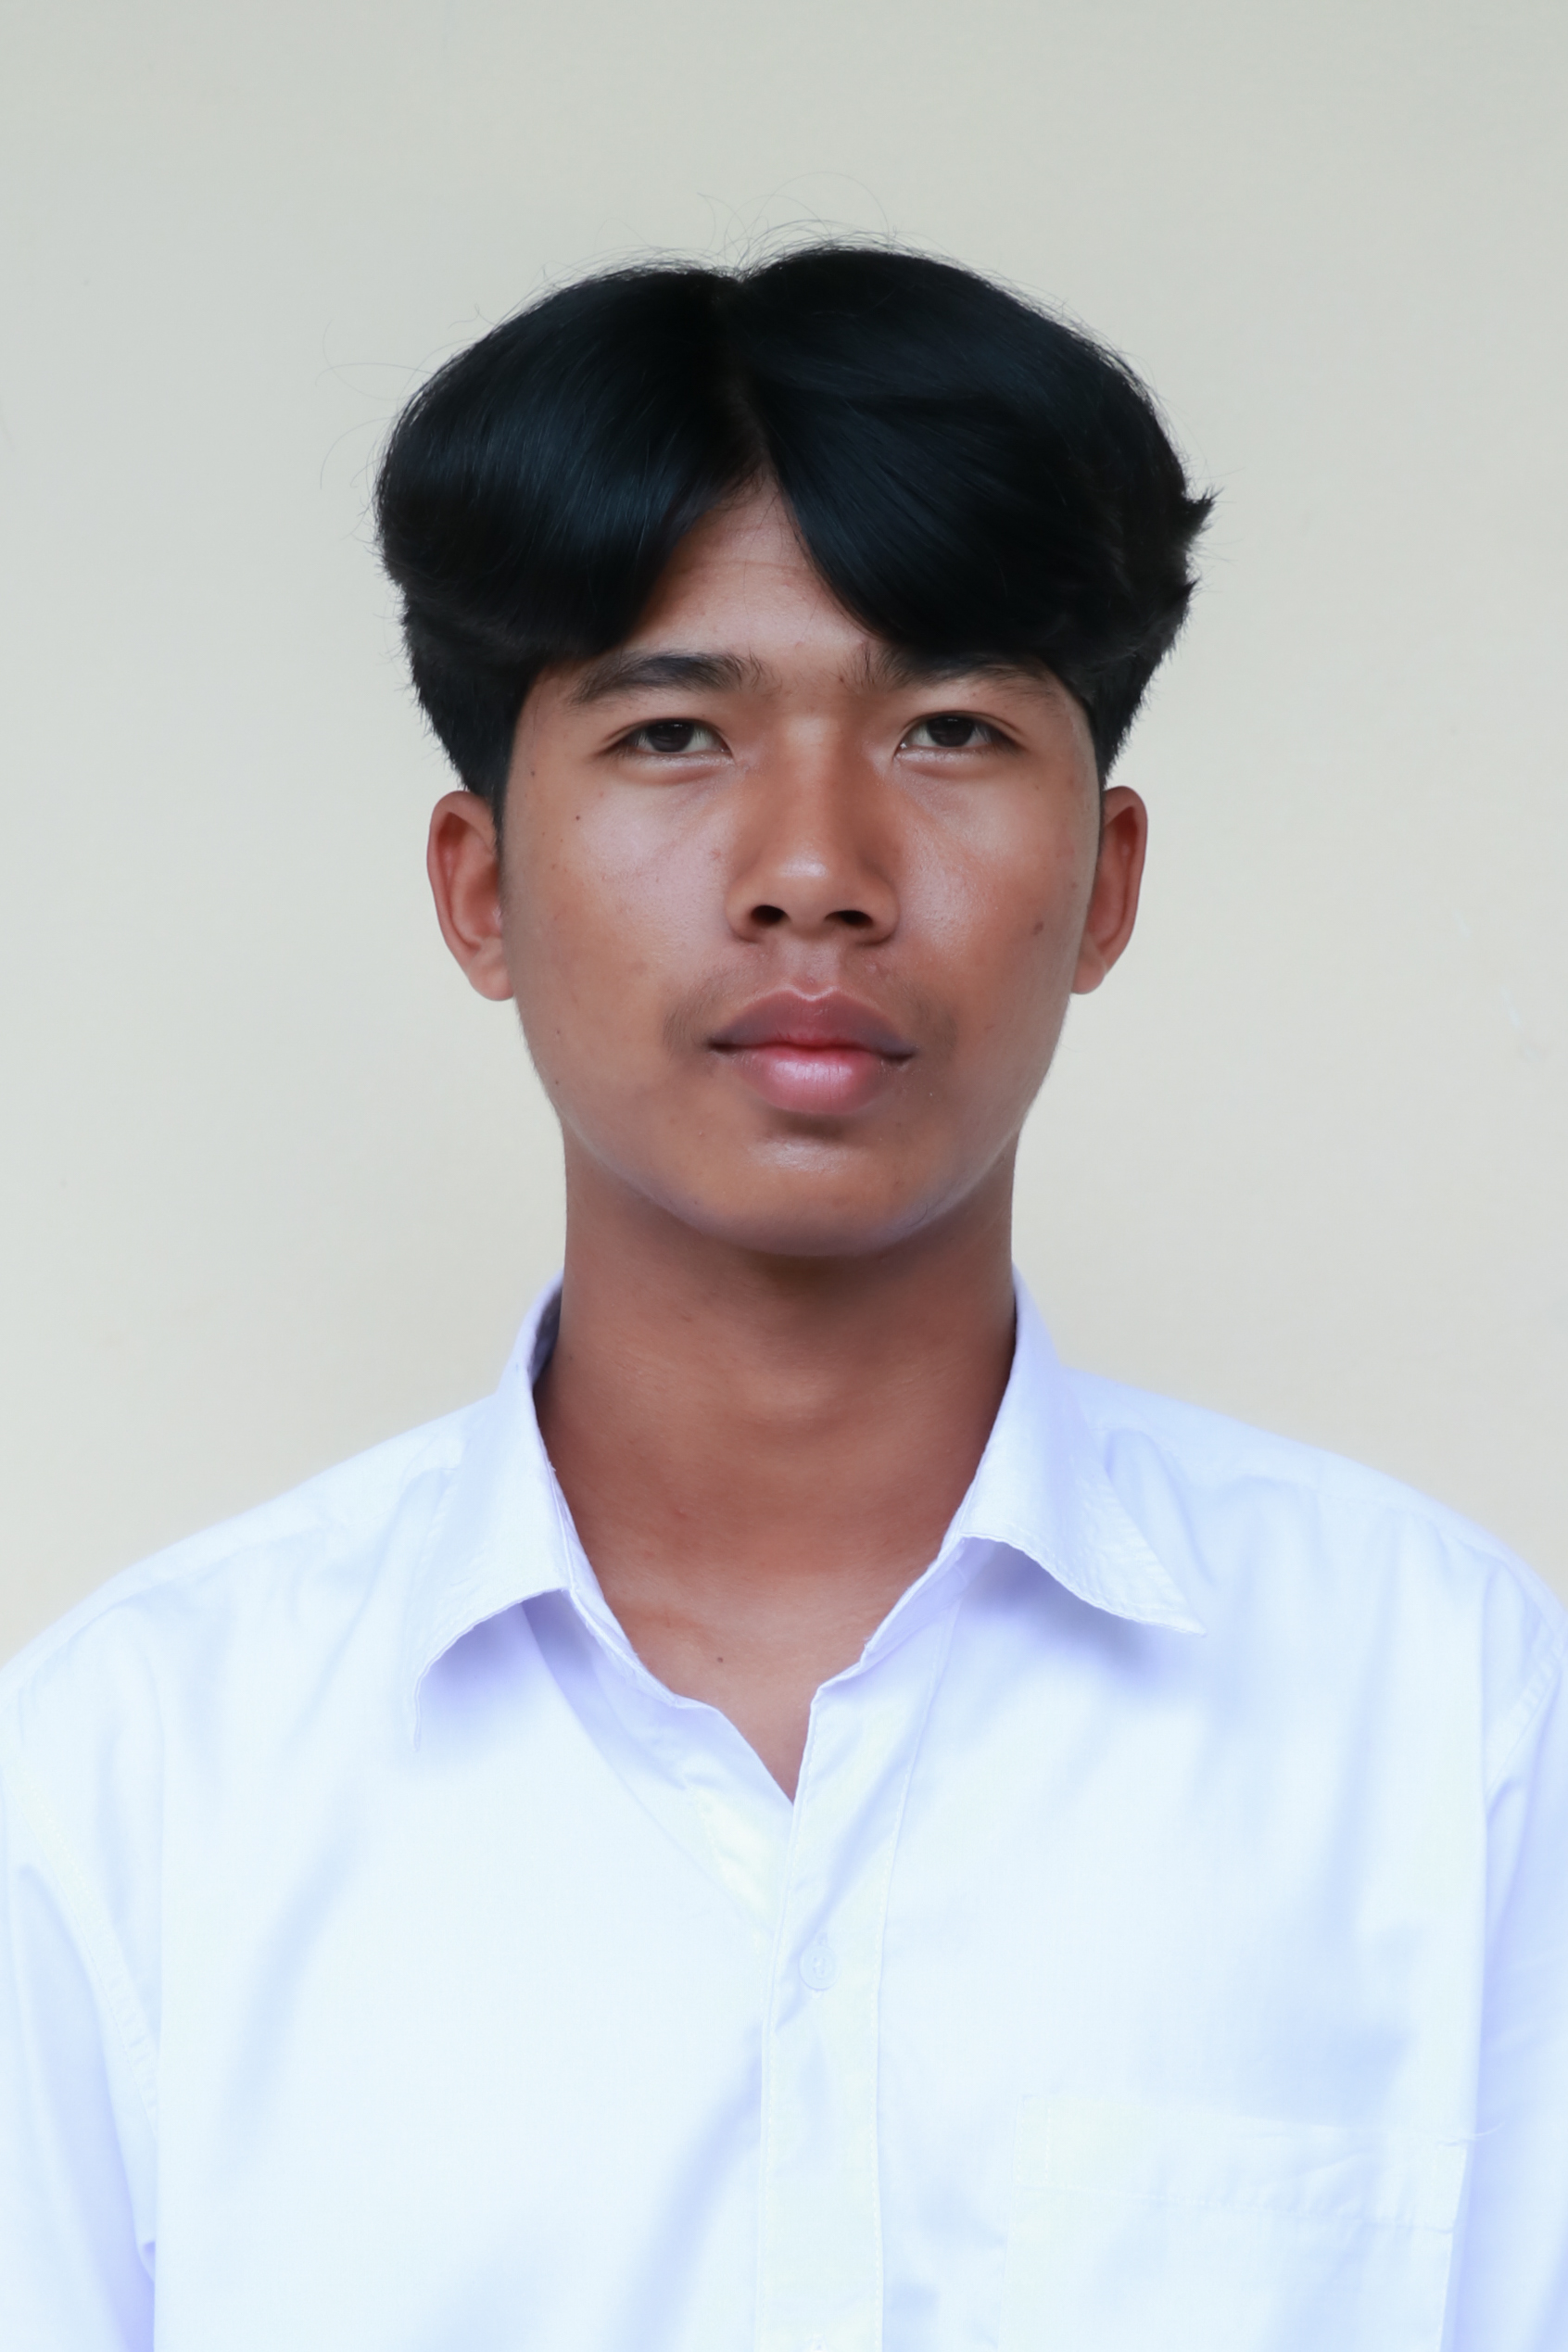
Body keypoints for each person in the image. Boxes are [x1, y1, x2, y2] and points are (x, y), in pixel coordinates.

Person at [1, 245, 1563, 2352]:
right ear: (482, 885)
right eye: (673, 733)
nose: (814, 866)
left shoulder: (1447, 1719)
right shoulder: (130, 1779)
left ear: (1106, 884)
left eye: (947, 729)